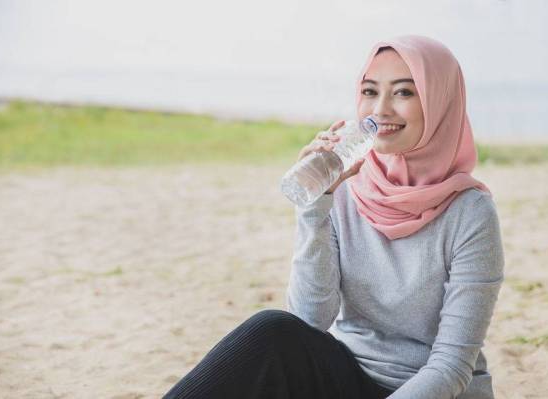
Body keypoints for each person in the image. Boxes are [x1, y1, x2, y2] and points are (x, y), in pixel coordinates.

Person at [163, 35, 504, 399]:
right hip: (350, 376)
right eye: (370, 92)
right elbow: (310, 319)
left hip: (436, 391)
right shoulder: (346, 186)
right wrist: (315, 203)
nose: (380, 109)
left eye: (404, 93)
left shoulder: (470, 212)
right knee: (273, 329)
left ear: (439, 102)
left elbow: (451, 366)